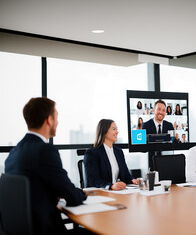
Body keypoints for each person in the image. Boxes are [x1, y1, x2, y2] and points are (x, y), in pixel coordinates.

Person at [5, 97, 87, 235]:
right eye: (56, 117)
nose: (58, 122)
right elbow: (72, 196)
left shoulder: (13, 153)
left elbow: (33, 188)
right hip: (46, 229)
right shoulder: (45, 150)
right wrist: (82, 193)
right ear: (49, 120)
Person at [84, 119, 138, 190]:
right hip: (100, 194)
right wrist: (110, 186)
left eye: (117, 129)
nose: (117, 132)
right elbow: (92, 180)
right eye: (113, 129)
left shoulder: (118, 152)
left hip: (116, 192)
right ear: (104, 131)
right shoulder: (92, 153)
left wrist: (133, 180)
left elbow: (126, 175)